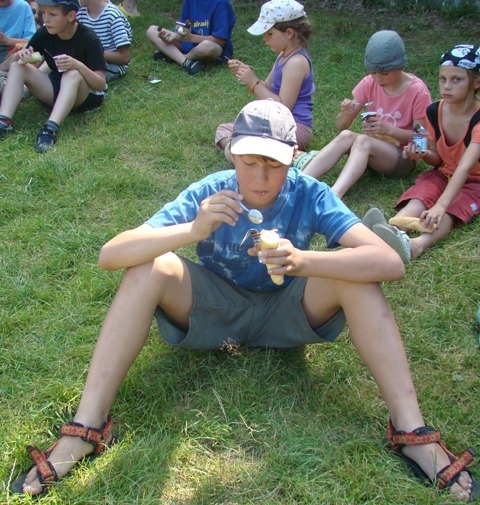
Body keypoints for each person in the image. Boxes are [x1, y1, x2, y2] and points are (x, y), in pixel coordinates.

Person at [9, 99, 479, 501]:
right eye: (249, 161)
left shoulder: (309, 193)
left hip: (288, 311)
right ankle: (88, 427)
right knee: (148, 266)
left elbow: (390, 263)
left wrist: (302, 260)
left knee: (357, 274)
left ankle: (411, 431)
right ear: (232, 153)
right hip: (213, 311)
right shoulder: (211, 191)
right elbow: (111, 255)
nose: (261, 176)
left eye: (274, 163)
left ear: (294, 157)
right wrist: (192, 229)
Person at [367, 43, 480, 264]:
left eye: (456, 80)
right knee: (421, 194)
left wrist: (440, 205)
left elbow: (466, 167)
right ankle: (390, 230)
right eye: (443, 79)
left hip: (475, 181)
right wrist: (422, 154)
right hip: (443, 173)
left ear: (476, 82)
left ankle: (416, 245)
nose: (447, 86)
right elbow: (436, 157)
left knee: (449, 210)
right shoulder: (434, 110)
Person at [301, 30, 432, 199]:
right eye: (373, 72)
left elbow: (421, 139)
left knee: (363, 140)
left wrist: (388, 130)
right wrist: (346, 113)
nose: (378, 79)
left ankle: (334, 195)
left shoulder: (417, 91)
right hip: (371, 150)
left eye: (385, 73)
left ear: (400, 66)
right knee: (347, 135)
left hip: (403, 158)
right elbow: (341, 126)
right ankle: (300, 181)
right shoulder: (369, 83)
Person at [0, 0, 107, 153]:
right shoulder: (44, 34)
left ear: (71, 16)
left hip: (83, 96)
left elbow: (100, 84)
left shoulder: (89, 38)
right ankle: (4, 121)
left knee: (72, 74)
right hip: (55, 89)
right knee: (18, 66)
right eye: (43, 13)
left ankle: (50, 129)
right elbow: (6, 67)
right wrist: (20, 55)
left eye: (53, 14)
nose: (46, 19)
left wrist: (78, 65)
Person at [215, 0, 314, 162]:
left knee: (240, 143)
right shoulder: (283, 56)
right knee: (224, 130)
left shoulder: (296, 62)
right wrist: (246, 74)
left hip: (293, 127)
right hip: (274, 124)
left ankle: (288, 159)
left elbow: (283, 107)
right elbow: (266, 87)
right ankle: (254, 155)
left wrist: (254, 82)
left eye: (269, 34)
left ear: (289, 33)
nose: (264, 38)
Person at [146, 0, 236, 76]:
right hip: (188, 42)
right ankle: (186, 62)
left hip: (212, 47)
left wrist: (191, 38)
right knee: (152, 30)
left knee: (206, 46)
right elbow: (183, 25)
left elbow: (220, 40)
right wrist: (175, 35)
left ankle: (175, 57)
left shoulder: (221, 3)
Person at [77, 0, 132, 82]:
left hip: (112, 65)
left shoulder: (113, 16)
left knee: (76, 72)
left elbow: (124, 57)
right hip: (89, 59)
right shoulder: (81, 13)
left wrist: (94, 52)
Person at [0, 0, 36, 79]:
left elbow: (33, 40)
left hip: (13, 56)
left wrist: (7, 40)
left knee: (26, 48)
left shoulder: (23, 6)